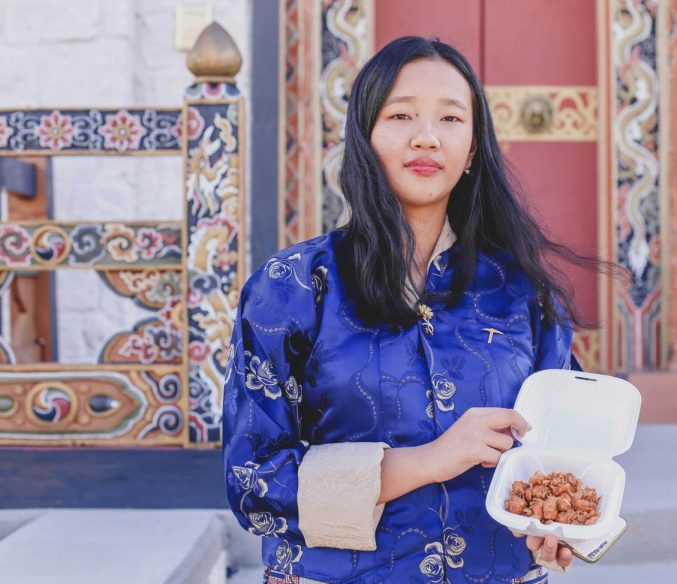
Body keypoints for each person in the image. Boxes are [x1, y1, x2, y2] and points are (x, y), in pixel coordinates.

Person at [223, 35, 606, 583]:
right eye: (401, 115)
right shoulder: (292, 288)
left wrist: (558, 527)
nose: (427, 137)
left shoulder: (521, 290)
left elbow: (560, 455)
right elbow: (253, 483)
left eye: (451, 119)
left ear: (473, 148)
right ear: (364, 135)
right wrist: (428, 460)